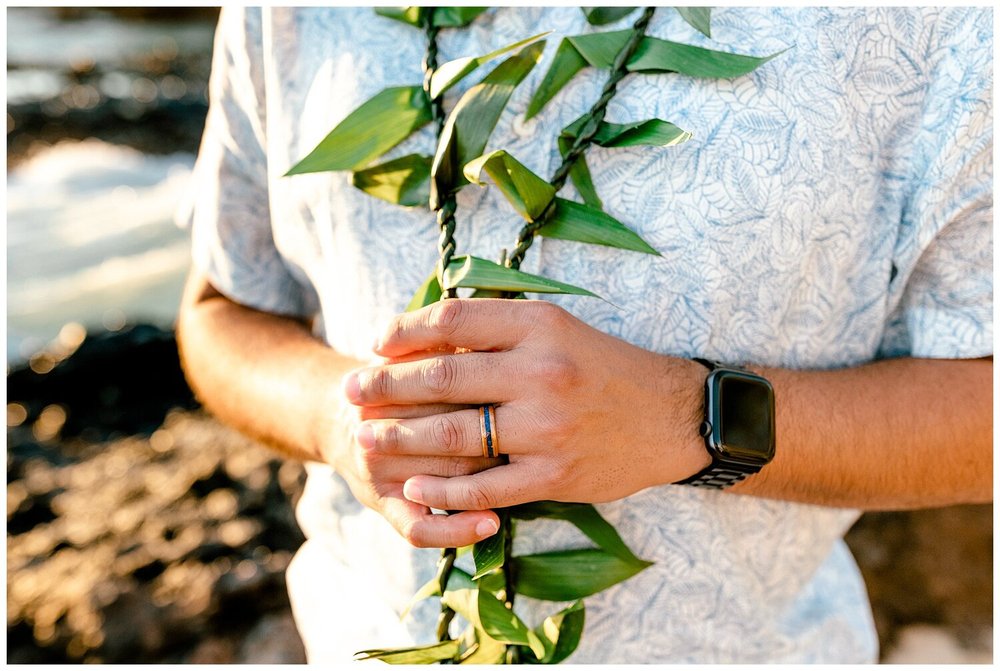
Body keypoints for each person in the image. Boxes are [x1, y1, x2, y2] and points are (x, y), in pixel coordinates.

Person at [175, 7, 992, 664]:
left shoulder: (935, 25)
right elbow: (221, 308)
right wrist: (340, 415)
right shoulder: (287, 14)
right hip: (351, 637)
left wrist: (690, 416)